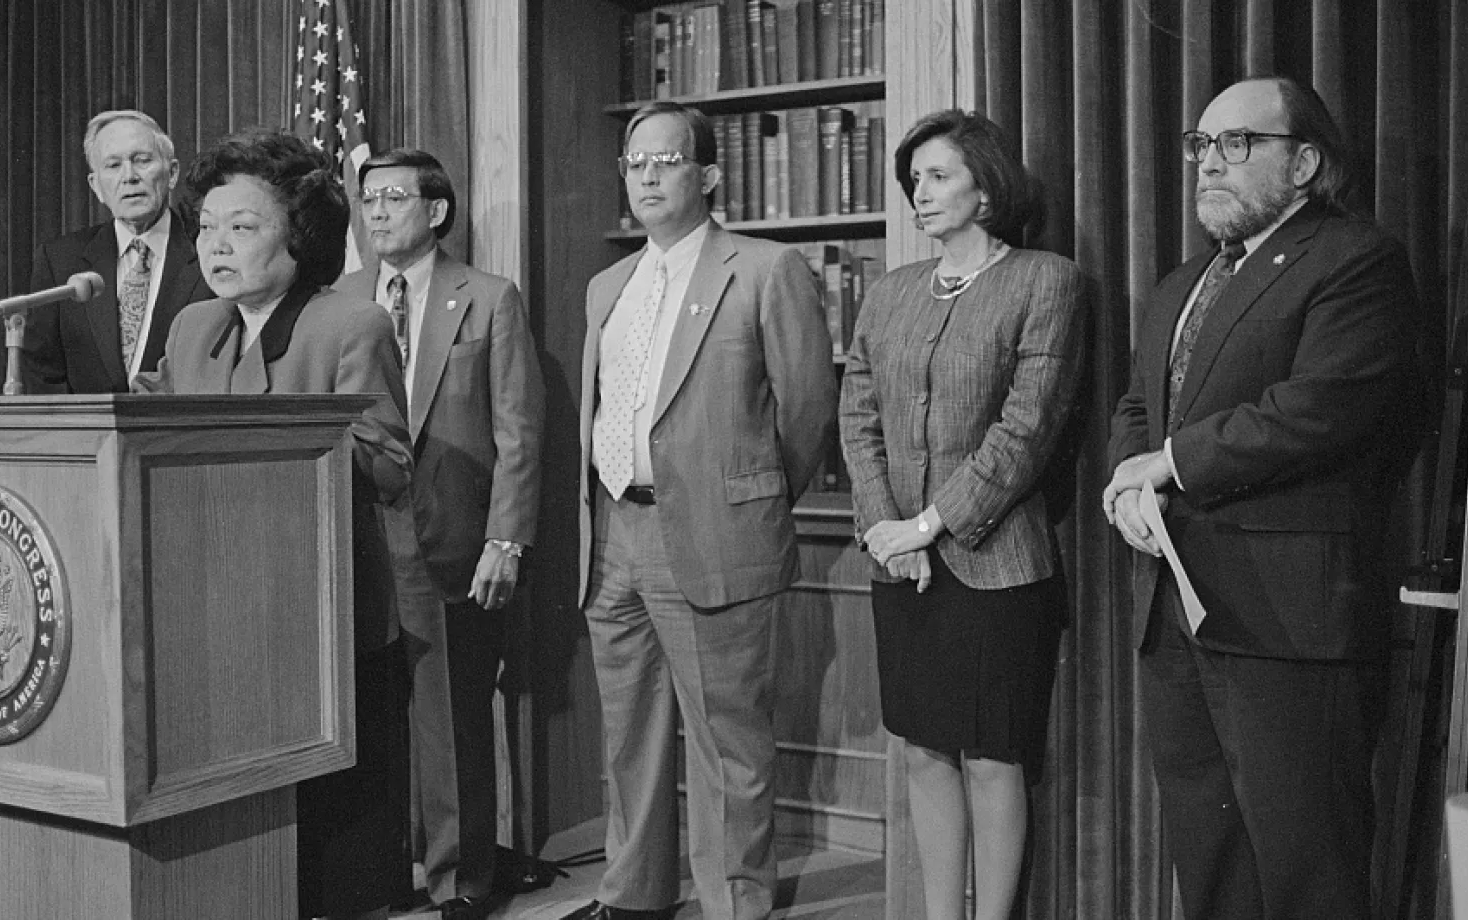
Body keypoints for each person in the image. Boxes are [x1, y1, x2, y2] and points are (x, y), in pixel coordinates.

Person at [1102, 76, 1420, 920]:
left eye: (1236, 144)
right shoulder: (1181, 284)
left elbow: (1320, 408)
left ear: (1306, 161)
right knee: (1211, 864)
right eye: (1200, 145)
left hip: (1289, 620)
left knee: (1309, 871)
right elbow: (1138, 404)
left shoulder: (1356, 259)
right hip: (1178, 610)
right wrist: (1127, 482)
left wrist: (1166, 464)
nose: (1209, 163)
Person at [565, 100, 837, 920]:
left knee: (728, 743)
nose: (647, 176)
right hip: (613, 532)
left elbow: (807, 412)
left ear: (708, 175)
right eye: (634, 162)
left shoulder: (763, 270)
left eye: (667, 160)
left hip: (719, 535)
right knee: (629, 739)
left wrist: (748, 498)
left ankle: (735, 904)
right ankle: (633, 897)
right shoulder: (607, 284)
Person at [133, 129, 415, 920]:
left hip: (319, 613)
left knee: (330, 849)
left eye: (244, 227)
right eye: (209, 227)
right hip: (215, 613)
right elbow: (144, 431)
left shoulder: (347, 326)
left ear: (300, 236)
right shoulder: (193, 326)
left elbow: (390, 465)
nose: (217, 245)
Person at [839, 109, 1085, 920]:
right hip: (899, 565)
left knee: (990, 758)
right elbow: (859, 414)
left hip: (994, 564)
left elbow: (1028, 429)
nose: (920, 192)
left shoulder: (1045, 280)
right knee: (922, 751)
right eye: (914, 180)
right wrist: (887, 528)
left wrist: (931, 524)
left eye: (938, 175)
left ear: (987, 186)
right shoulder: (891, 291)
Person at [332, 148, 544, 920]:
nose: (376, 210)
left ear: (438, 210)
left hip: (454, 541)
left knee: (449, 717)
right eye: (368, 199)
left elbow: (520, 433)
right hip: (357, 539)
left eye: (392, 197)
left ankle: (460, 880)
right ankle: (381, 869)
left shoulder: (488, 298)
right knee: (367, 720)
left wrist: (506, 540)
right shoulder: (343, 298)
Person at [24, 109, 213, 393]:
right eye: (113, 165)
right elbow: (44, 375)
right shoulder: (60, 260)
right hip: (88, 436)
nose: (129, 177)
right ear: (96, 186)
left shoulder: (208, 249)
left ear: (172, 173)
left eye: (142, 161)